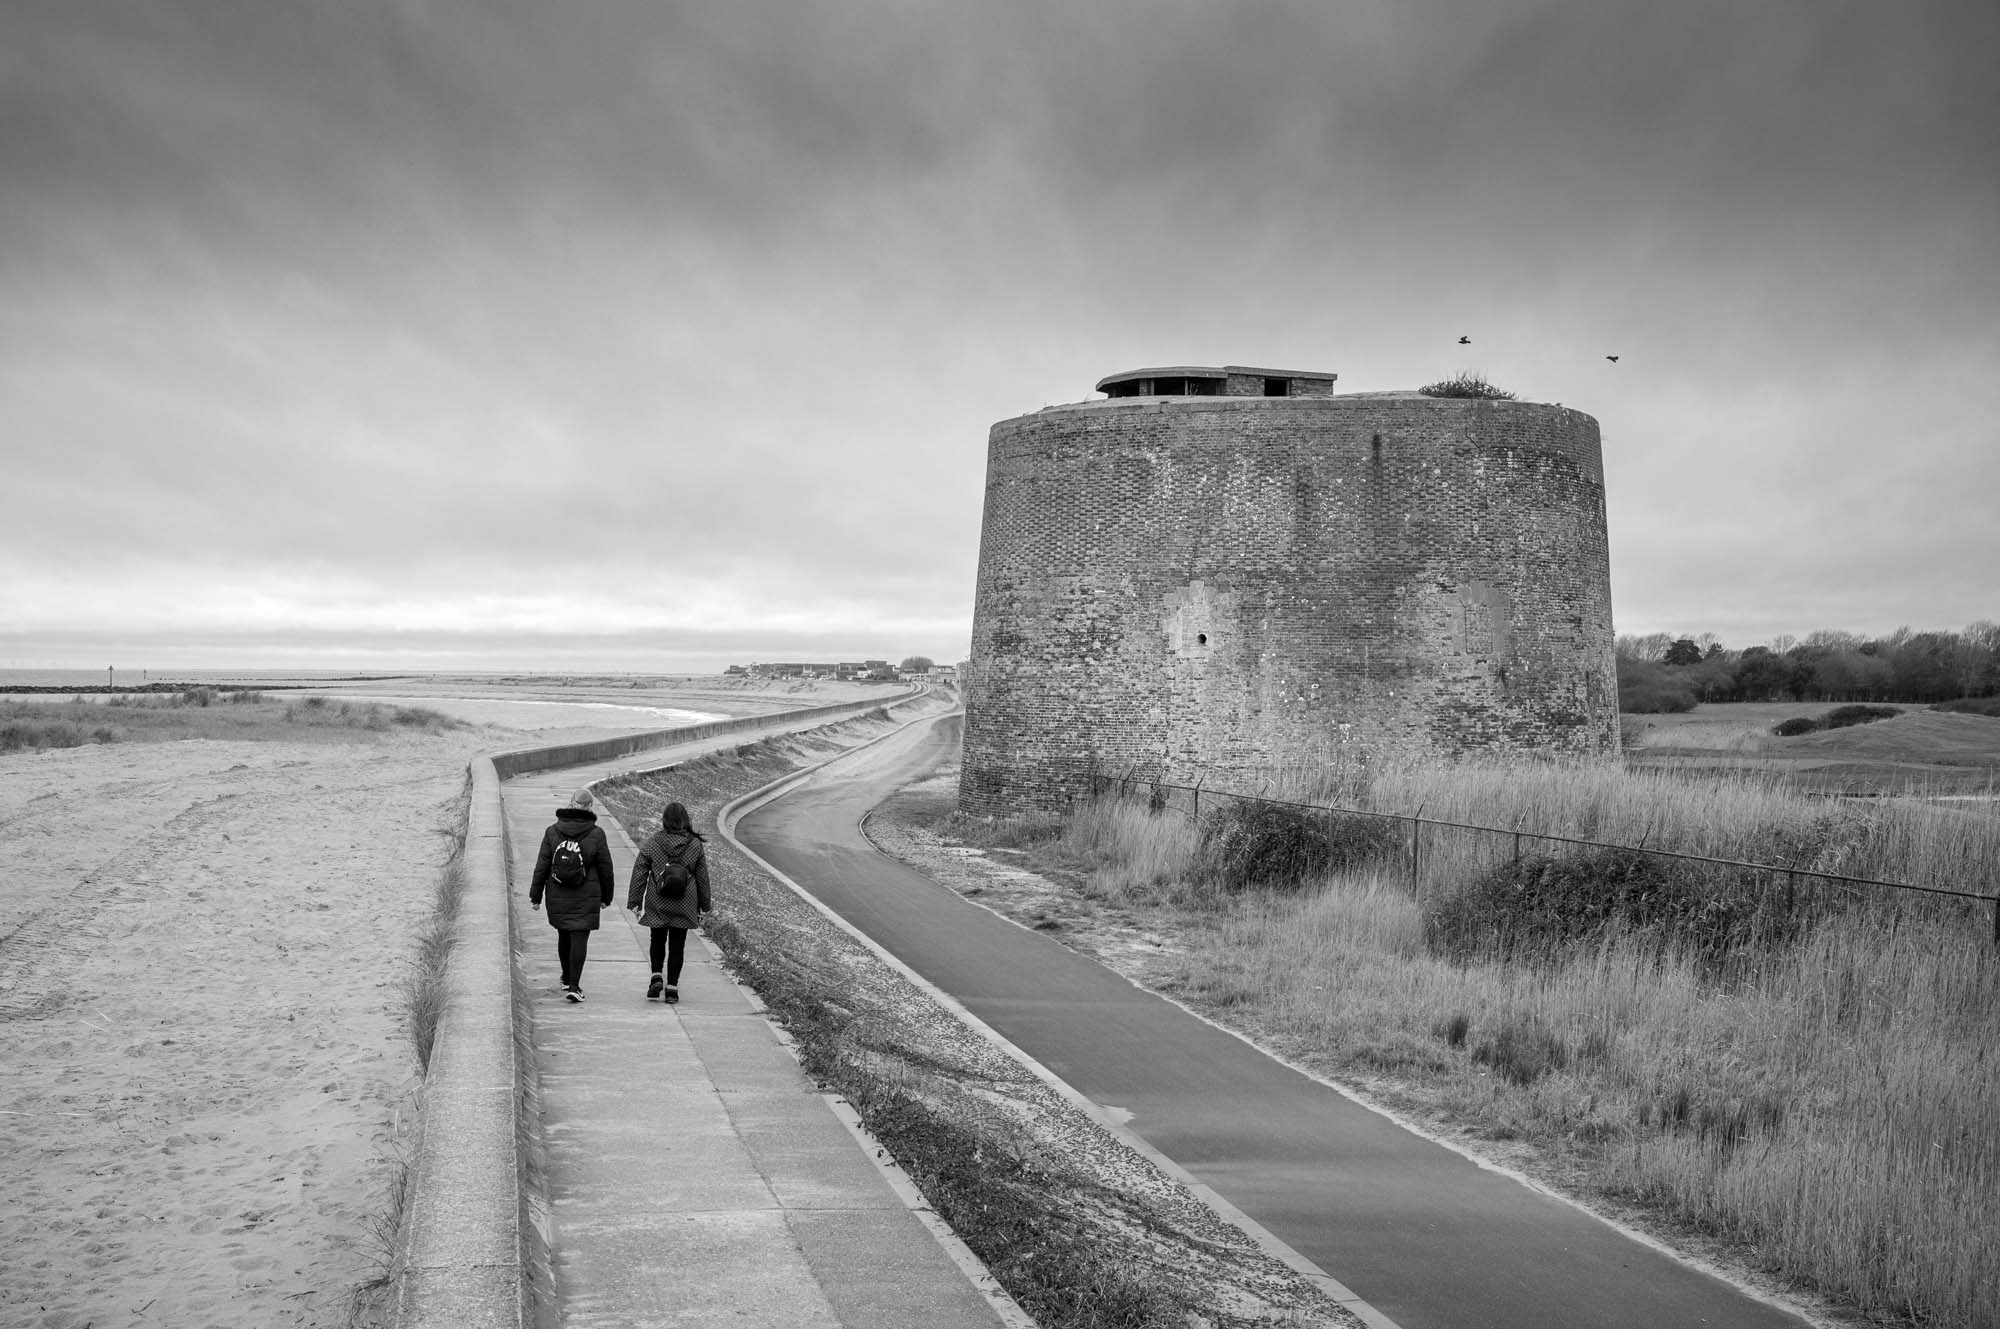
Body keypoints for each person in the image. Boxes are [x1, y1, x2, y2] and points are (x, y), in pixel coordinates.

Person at [528, 788, 616, 1002]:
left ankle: (567, 978)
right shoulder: (596, 834)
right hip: (586, 895)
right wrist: (607, 896)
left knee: (564, 933)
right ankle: (575, 987)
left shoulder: (552, 831)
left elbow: (542, 865)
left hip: (558, 892)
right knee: (579, 936)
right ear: (589, 807)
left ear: (570, 804)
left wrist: (536, 895)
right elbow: (606, 868)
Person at [627, 800, 712, 1004]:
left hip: (658, 899)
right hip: (685, 901)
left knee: (657, 939)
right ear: (685, 820)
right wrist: (705, 905)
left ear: (664, 820)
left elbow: (640, 871)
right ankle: (672, 988)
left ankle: (656, 975)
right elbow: (702, 878)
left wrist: (635, 901)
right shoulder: (694, 845)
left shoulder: (654, 842)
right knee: (677, 945)